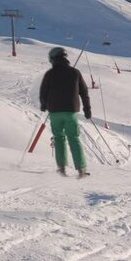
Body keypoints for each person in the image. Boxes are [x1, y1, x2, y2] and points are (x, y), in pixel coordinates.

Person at [40, 47, 92, 178]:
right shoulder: (75, 73)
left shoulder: (49, 74)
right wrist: (87, 110)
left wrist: (44, 105)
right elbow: (84, 92)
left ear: (53, 59)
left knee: (59, 138)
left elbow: (43, 92)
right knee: (73, 138)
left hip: (55, 112)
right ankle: (81, 169)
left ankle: (61, 168)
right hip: (71, 111)